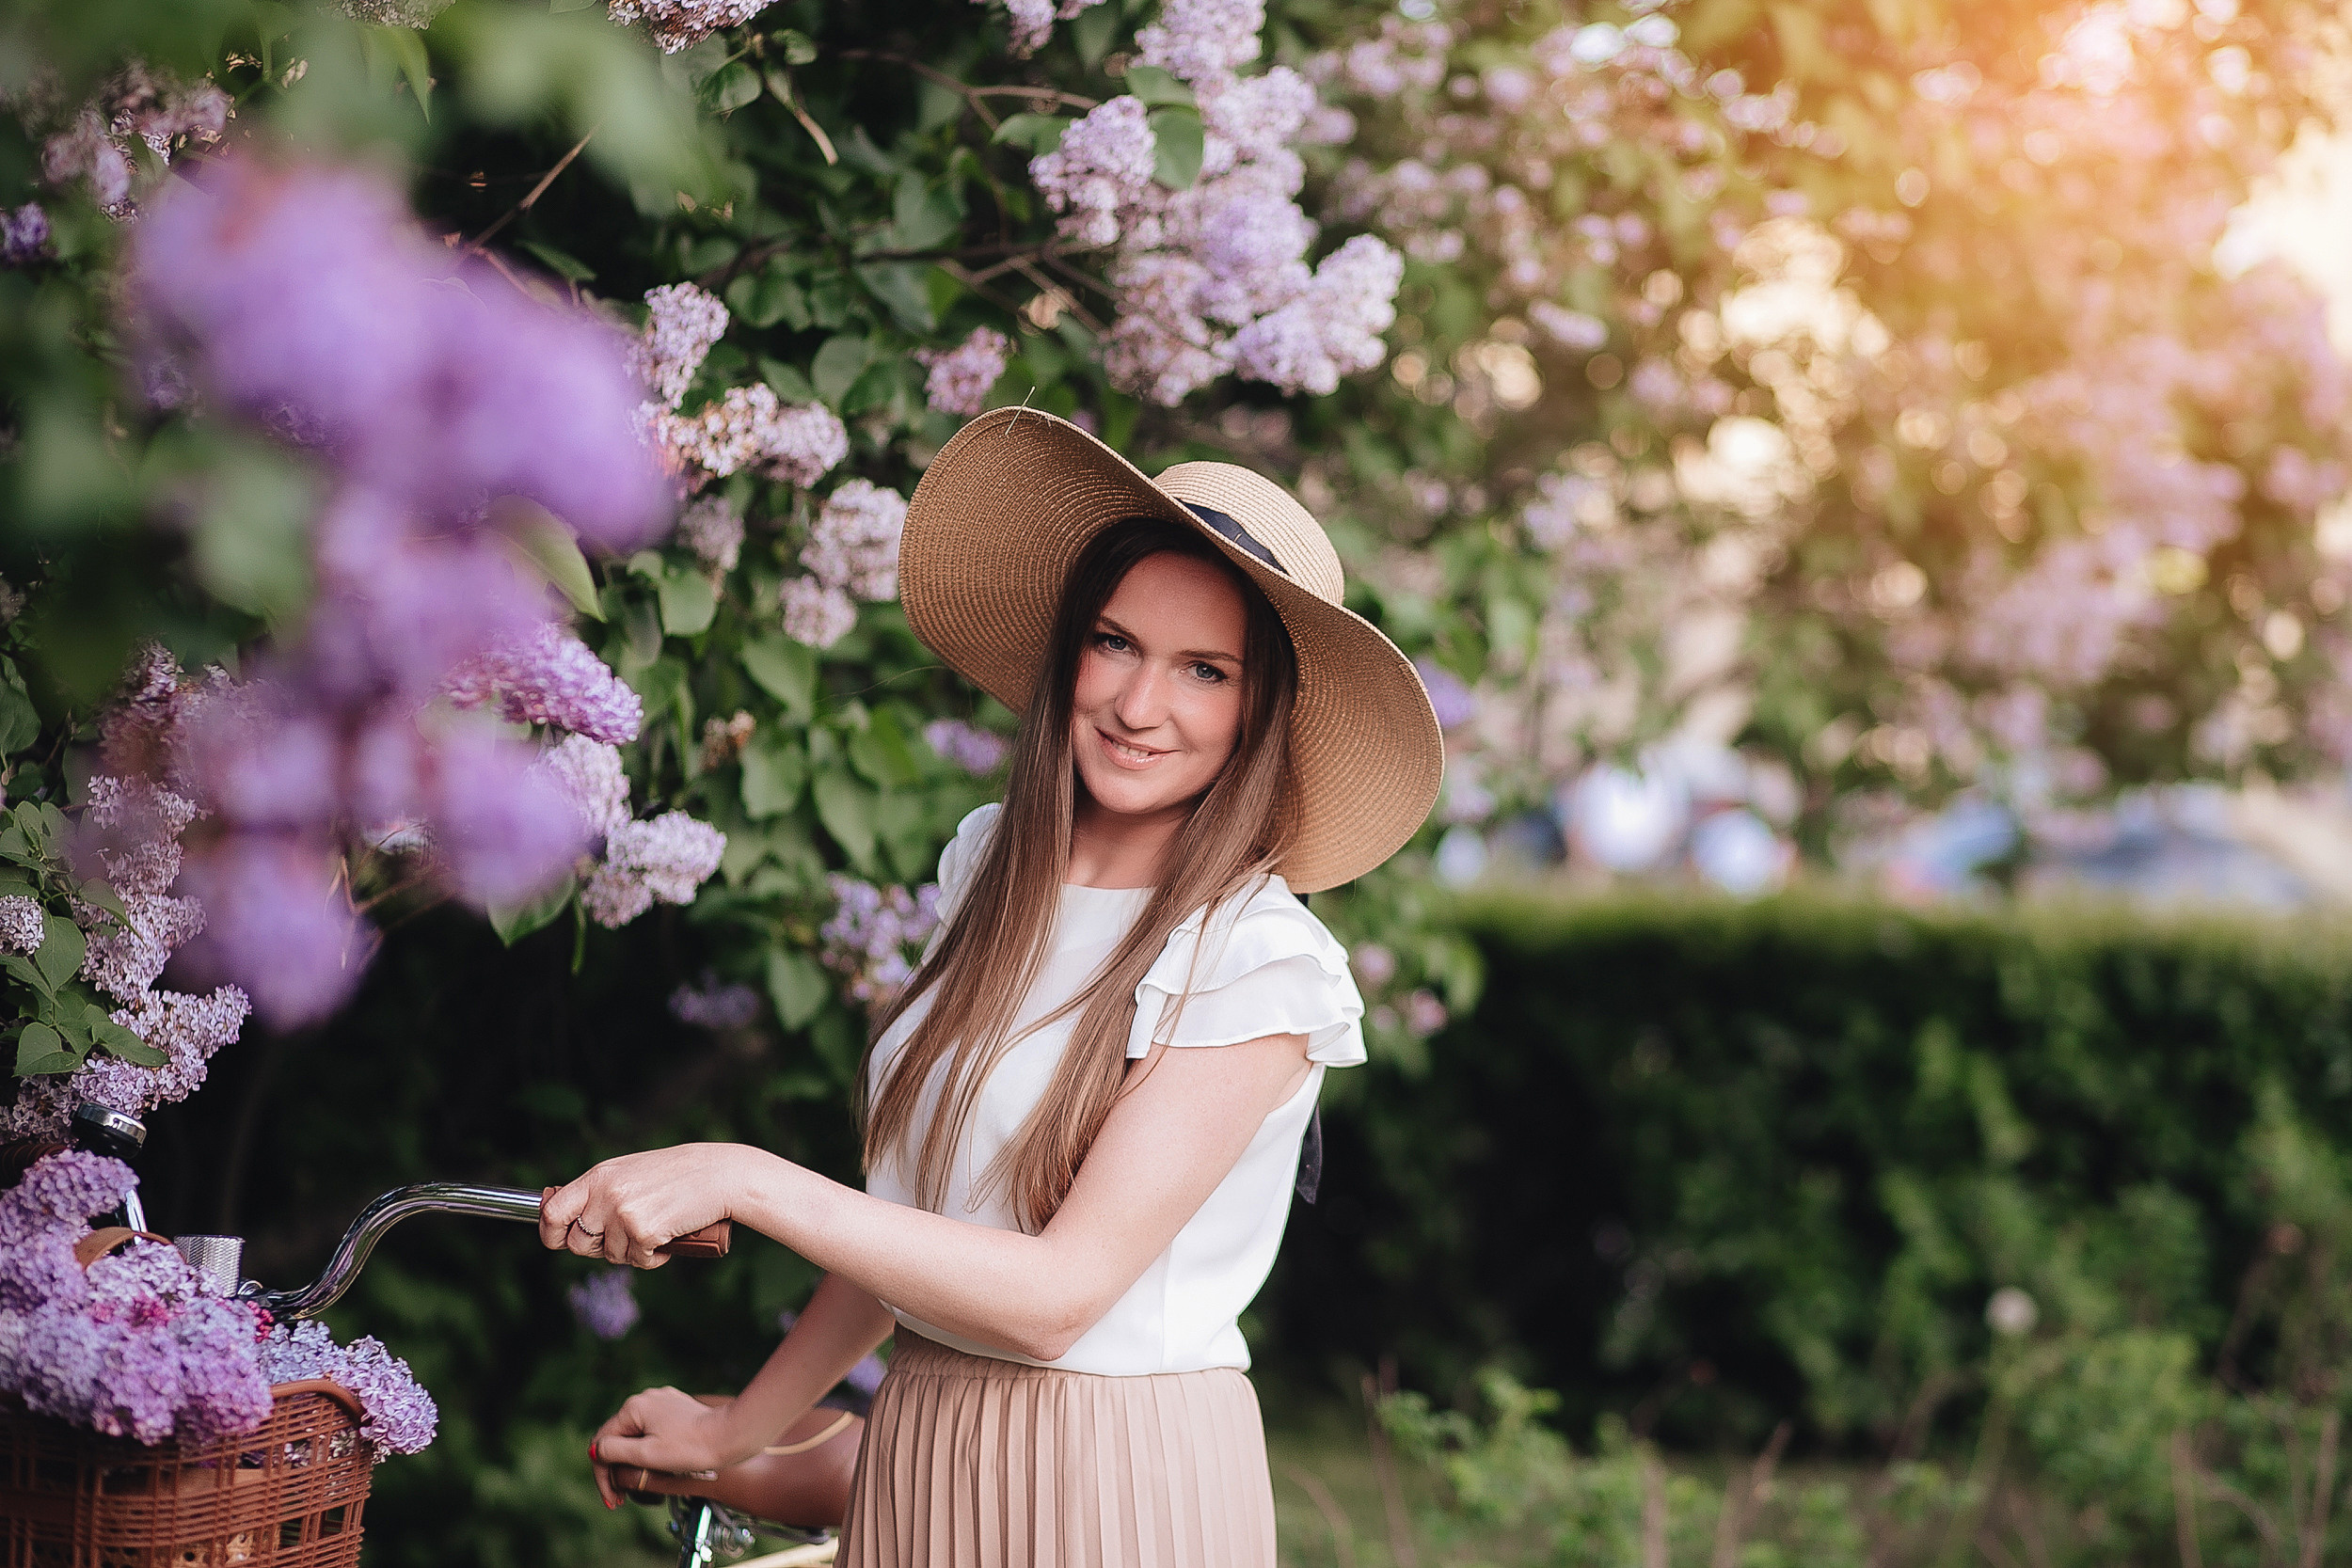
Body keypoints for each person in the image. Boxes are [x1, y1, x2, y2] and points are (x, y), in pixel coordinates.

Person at [541, 407, 1443, 1566]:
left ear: (1258, 710)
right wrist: (736, 1430)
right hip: (922, 1443)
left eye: (1204, 670)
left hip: (1117, 1480)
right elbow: (922, 1225)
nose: (1139, 705)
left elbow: (1054, 1298)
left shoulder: (1254, 958)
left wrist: (743, 1178)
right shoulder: (991, 868)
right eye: (1115, 642)